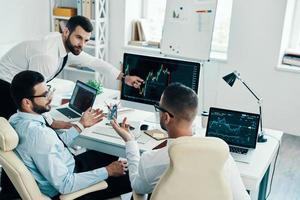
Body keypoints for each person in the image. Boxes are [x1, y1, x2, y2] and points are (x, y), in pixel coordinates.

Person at [111, 83, 250, 200]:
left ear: (166, 117)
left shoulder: (152, 160)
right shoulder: (222, 157)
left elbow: (137, 186)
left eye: (158, 107)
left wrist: (130, 142)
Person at [8, 70, 131, 199]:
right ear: (27, 102)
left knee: (108, 151)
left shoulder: (16, 119)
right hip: (70, 187)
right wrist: (108, 171)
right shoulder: (39, 135)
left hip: (68, 165)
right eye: (45, 95)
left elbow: (51, 146)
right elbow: (65, 185)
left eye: (49, 91)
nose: (50, 97)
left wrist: (81, 125)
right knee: (136, 177)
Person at [0, 15, 143, 122]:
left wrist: (125, 78)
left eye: (86, 40)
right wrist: (53, 122)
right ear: (66, 32)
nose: (82, 44)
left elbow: (93, 61)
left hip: (17, 86)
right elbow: (36, 95)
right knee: (13, 137)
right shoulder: (47, 56)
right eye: (78, 38)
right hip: (4, 88)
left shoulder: (65, 45)